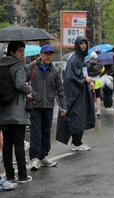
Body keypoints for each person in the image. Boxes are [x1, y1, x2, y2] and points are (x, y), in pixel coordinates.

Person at [26, 45, 67, 170]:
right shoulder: (31, 68)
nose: (48, 56)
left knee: (46, 131)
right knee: (35, 132)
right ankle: (34, 158)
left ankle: (43, 156)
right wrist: (27, 92)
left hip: (48, 105)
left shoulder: (54, 70)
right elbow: (21, 83)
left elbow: (60, 90)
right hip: (35, 105)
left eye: (50, 54)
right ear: (41, 55)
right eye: (46, 54)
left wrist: (63, 107)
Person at [0, 41, 33, 183]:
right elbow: (20, 84)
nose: (22, 54)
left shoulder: (0, 64)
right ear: (12, 52)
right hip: (17, 111)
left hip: (3, 111)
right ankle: (23, 176)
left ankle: (9, 175)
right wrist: (30, 90)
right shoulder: (18, 65)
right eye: (20, 51)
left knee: (7, 144)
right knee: (19, 143)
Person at [56, 36, 95, 151]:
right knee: (76, 117)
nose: (83, 45)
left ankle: (77, 142)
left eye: (85, 43)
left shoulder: (80, 58)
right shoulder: (74, 59)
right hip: (75, 94)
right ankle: (76, 143)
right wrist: (84, 80)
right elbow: (70, 77)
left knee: (81, 116)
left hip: (81, 91)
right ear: (77, 45)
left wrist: (88, 81)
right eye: (81, 43)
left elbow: (82, 73)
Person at [86, 51, 104, 116]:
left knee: (91, 95)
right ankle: (98, 110)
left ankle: (92, 108)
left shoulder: (87, 63)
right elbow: (102, 71)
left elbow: (85, 71)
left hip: (90, 81)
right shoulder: (99, 64)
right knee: (98, 95)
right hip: (97, 80)